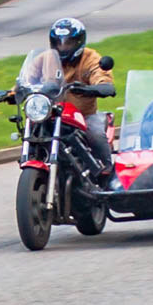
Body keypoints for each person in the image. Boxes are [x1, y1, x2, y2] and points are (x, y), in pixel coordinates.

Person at [47, 17, 115, 184]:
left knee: (95, 133)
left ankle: (107, 170)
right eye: (59, 43)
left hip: (82, 116)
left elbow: (101, 76)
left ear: (79, 42)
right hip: (52, 113)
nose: (62, 47)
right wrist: (12, 93)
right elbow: (30, 78)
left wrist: (98, 87)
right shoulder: (47, 59)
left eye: (68, 43)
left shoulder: (91, 58)